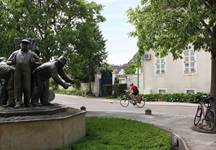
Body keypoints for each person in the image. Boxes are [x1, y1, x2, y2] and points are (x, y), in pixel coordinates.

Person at [7, 39, 42, 108]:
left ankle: (27, 102)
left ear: (28, 45)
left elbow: (40, 62)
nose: (24, 45)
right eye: (23, 44)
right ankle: (18, 102)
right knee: (17, 87)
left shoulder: (31, 53)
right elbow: (8, 61)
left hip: (27, 72)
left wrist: (34, 62)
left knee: (27, 87)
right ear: (20, 45)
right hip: (17, 73)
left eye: (26, 44)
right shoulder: (15, 53)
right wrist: (12, 62)